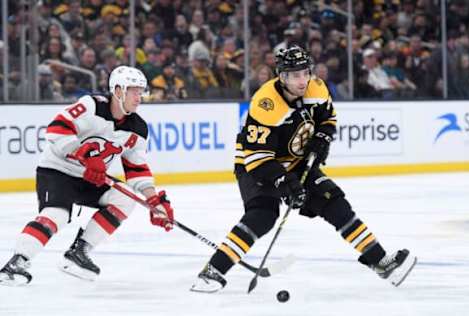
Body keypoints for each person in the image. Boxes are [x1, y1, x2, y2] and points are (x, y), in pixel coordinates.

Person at [190, 46, 417, 293]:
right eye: (295, 75)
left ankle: (381, 262)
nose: (302, 80)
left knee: (335, 203)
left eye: (305, 72)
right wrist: (284, 183)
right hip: (255, 163)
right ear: (282, 76)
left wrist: (322, 138)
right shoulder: (266, 104)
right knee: (263, 215)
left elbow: (328, 119)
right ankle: (212, 271)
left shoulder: (316, 86)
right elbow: (257, 158)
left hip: (296, 161)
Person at [0, 65, 175, 286]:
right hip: (57, 170)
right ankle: (16, 263)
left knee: (125, 198)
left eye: (141, 91)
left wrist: (153, 200)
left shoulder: (138, 128)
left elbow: (136, 168)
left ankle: (78, 252)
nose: (139, 97)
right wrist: (82, 154)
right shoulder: (90, 105)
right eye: (134, 91)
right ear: (118, 90)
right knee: (57, 214)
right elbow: (56, 129)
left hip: (91, 178)